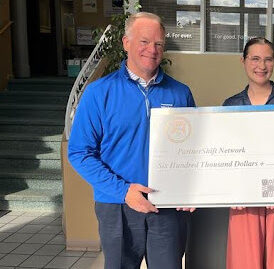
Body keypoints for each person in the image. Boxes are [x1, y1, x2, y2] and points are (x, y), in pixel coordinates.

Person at [68, 12, 195, 269]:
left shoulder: (181, 93)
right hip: (117, 206)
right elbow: (80, 153)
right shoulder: (99, 93)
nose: (152, 50)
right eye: (144, 41)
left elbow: (193, 150)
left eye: (159, 44)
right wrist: (124, 191)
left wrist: (190, 188)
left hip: (167, 207)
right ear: (126, 43)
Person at [223, 37, 274, 269]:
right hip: (243, 198)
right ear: (243, 61)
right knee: (245, 261)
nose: (262, 65)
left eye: (268, 59)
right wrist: (230, 190)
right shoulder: (230, 105)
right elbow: (226, 156)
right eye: (255, 58)